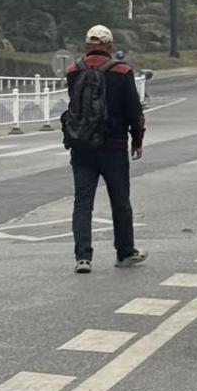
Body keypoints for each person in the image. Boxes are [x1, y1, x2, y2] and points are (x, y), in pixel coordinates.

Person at [61, 24, 147, 274]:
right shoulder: (121, 71)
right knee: (120, 201)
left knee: (82, 202)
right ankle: (125, 252)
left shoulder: (73, 70)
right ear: (109, 46)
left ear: (87, 45)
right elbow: (135, 112)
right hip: (114, 147)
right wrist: (137, 141)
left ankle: (83, 257)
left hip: (82, 146)